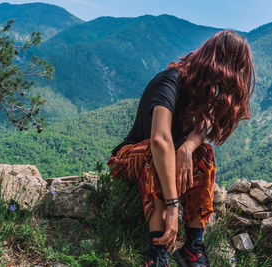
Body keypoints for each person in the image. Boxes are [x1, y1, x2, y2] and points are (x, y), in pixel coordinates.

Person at [107, 29, 255, 267]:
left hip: (162, 157)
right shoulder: (171, 81)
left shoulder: (201, 90)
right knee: (153, 153)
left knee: (204, 153)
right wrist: (173, 207)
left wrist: (187, 147)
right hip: (130, 156)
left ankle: (193, 248)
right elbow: (159, 139)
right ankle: (157, 250)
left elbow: (205, 124)